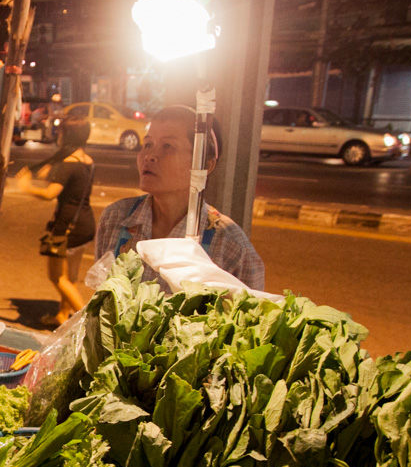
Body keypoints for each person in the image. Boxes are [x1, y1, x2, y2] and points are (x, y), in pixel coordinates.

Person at [93, 105, 265, 290]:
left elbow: (249, 315)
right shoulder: (116, 218)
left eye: (168, 146)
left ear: (205, 166)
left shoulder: (230, 246)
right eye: (148, 144)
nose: (149, 156)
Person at [16, 117, 96, 325]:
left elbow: (51, 193)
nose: (58, 135)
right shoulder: (87, 161)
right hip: (85, 224)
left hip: (66, 226)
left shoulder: (67, 164)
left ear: (67, 135)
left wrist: (25, 187)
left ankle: (89, 321)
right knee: (71, 278)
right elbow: (71, 185)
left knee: (57, 278)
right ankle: (62, 315)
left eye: (60, 132)